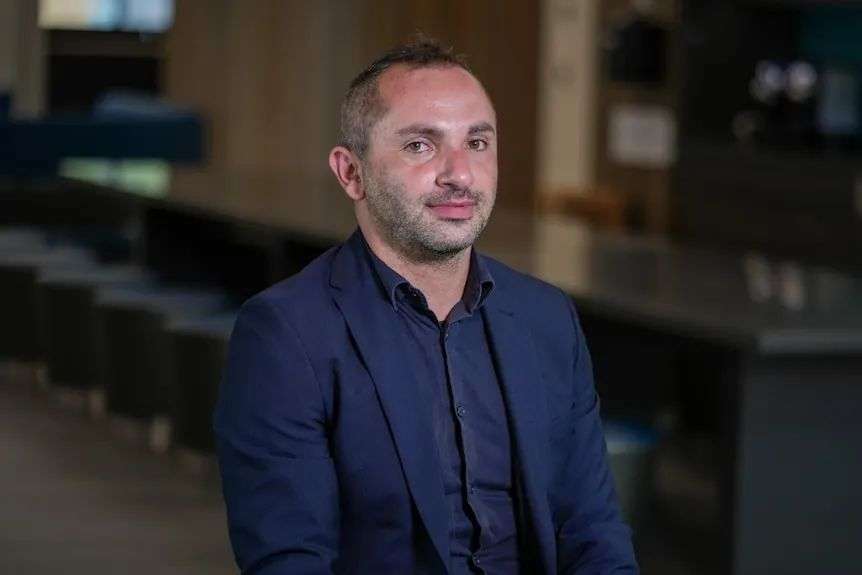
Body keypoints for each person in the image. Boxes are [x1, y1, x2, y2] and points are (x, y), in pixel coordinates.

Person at [214, 38, 638, 575]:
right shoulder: (286, 333)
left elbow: (592, 527)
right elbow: (290, 561)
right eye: (420, 145)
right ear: (351, 172)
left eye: (478, 143)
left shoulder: (546, 317)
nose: (459, 174)